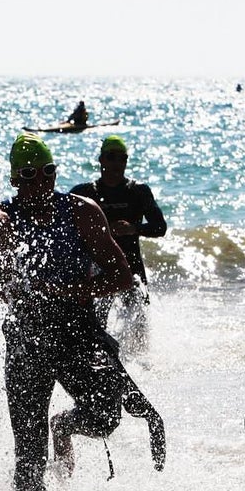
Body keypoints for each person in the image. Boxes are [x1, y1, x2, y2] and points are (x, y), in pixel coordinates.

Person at [0, 134, 140, 491]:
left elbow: (122, 275)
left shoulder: (81, 211)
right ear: (15, 179)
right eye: (31, 174)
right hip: (27, 339)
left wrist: (72, 292)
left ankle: (64, 425)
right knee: (29, 458)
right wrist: (27, 286)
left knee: (105, 417)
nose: (43, 181)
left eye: (49, 171)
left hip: (77, 331)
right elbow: (3, 288)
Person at [69, 136, 167, 354]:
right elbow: (65, 229)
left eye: (121, 158)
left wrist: (134, 229)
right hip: (98, 270)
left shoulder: (138, 191)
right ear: (101, 160)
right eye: (111, 157)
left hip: (131, 266)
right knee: (96, 322)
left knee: (139, 322)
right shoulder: (85, 193)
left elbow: (160, 227)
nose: (116, 163)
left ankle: (141, 363)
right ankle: (98, 358)